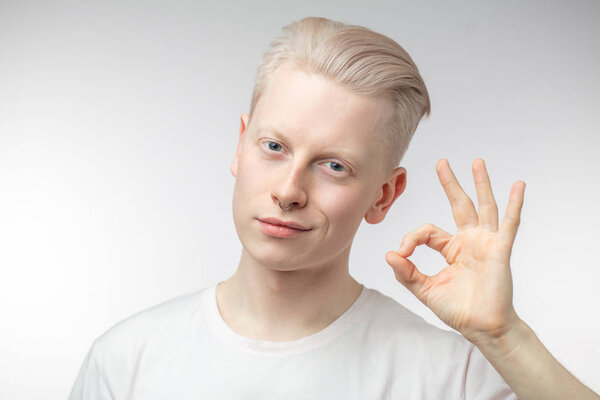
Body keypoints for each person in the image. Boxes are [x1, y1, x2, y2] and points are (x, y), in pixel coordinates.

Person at [68, 16, 599, 400]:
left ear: (383, 196)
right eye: (274, 147)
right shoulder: (127, 361)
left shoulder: (450, 378)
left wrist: (505, 337)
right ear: (240, 145)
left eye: (334, 166)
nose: (289, 190)